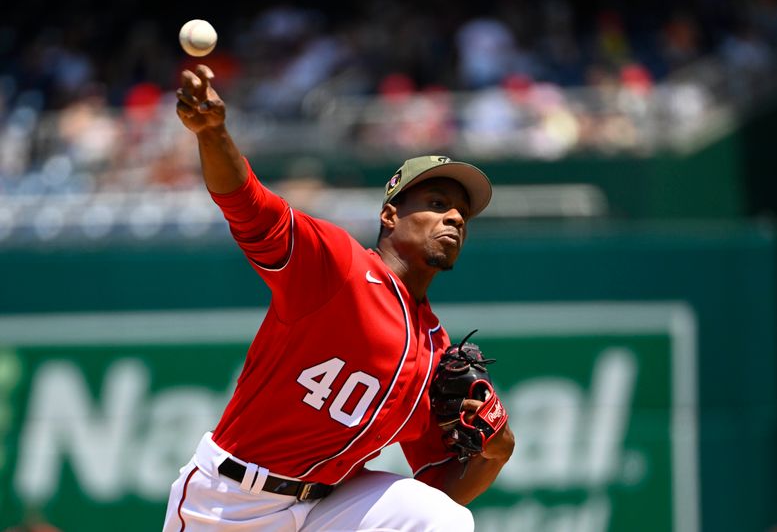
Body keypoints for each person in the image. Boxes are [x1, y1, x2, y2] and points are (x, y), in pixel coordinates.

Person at [163, 64, 515, 532]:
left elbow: (438, 486)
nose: (454, 217)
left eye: (461, 212)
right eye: (435, 204)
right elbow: (249, 207)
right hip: (230, 501)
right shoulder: (338, 266)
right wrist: (213, 133)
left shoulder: (434, 347)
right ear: (390, 215)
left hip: (327, 508)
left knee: (443, 521)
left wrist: (496, 453)